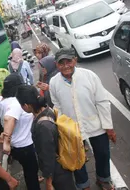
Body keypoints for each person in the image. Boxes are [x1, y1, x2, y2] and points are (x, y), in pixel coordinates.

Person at [49, 47, 117, 190]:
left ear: (75, 60)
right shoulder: (54, 82)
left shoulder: (89, 76)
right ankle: (83, 184)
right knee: (76, 157)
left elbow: (102, 101)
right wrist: (63, 129)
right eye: (62, 63)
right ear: (57, 64)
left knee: (103, 153)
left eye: (69, 61)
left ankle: (103, 179)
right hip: (72, 128)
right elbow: (57, 106)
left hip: (94, 123)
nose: (66, 66)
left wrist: (108, 127)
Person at [0, 74, 41, 190]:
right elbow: (9, 118)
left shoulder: (1, 101)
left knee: (28, 169)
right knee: (31, 171)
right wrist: (6, 142)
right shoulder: (16, 102)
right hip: (25, 146)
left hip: (15, 146)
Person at [16, 85, 77, 190]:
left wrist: (48, 183)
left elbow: (48, 156)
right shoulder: (47, 109)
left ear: (26, 105)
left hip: (58, 172)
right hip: (62, 164)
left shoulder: (42, 126)